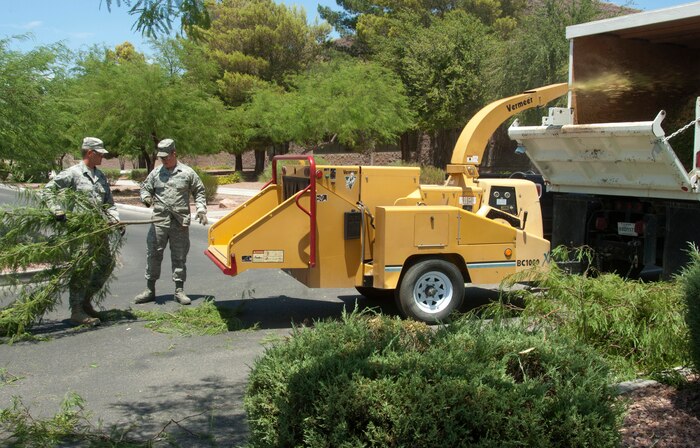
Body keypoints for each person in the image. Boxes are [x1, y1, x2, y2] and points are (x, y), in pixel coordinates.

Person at [43, 137, 120, 326]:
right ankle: (76, 311)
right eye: (100, 153)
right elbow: (48, 190)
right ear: (90, 153)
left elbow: (108, 204)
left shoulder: (100, 176)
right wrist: (56, 210)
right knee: (81, 269)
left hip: (98, 229)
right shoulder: (73, 173)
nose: (103, 155)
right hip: (81, 231)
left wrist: (115, 220)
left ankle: (86, 301)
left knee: (106, 263)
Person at [134, 138, 207, 306]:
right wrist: (145, 197)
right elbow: (145, 188)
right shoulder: (156, 173)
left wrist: (201, 208)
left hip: (179, 223)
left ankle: (179, 290)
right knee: (153, 254)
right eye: (161, 158)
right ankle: (150, 290)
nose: (164, 160)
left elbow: (200, 191)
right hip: (159, 221)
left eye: (166, 157)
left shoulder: (187, 173)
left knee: (179, 257)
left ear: (174, 154)